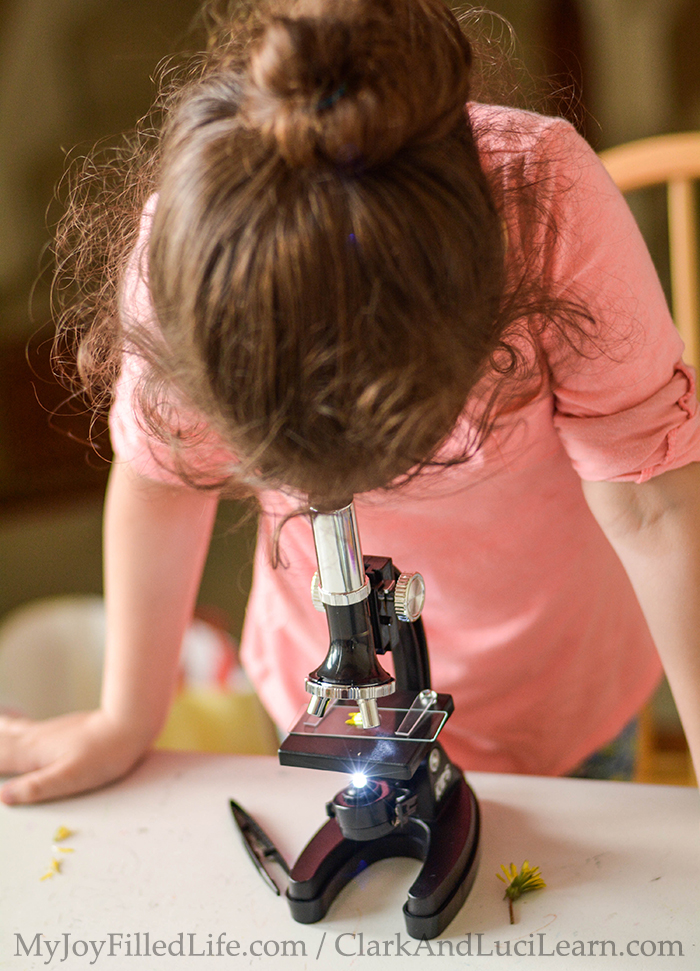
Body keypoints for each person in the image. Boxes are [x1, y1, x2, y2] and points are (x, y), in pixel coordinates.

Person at [1, 0, 699, 805]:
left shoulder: (547, 206)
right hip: (318, 690)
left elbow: (654, 508)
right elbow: (163, 479)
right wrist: (128, 715)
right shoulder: (192, 254)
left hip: (563, 691)